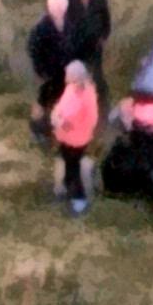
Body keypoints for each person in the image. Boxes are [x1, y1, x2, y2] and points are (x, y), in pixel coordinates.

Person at [49, 59, 99, 216]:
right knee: (67, 160)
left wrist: (62, 121)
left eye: (68, 74)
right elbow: (61, 106)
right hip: (66, 136)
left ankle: (79, 199)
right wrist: (57, 115)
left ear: (77, 76)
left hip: (77, 139)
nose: (66, 77)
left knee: (73, 165)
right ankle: (67, 185)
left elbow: (84, 118)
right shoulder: (72, 88)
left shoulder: (85, 94)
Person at [23, 0, 75, 138]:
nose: (59, 9)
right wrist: (40, 69)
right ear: (50, 8)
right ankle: (35, 130)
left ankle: (52, 128)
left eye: (61, 6)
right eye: (55, 7)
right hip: (47, 71)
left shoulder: (68, 24)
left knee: (60, 99)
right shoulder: (42, 27)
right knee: (43, 99)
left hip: (63, 70)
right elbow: (32, 48)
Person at [66, 0, 112, 92]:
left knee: (97, 75)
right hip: (76, 44)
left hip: (95, 43)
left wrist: (104, 37)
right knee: (77, 76)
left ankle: (101, 100)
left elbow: (106, 19)